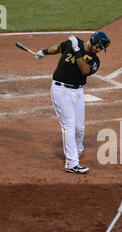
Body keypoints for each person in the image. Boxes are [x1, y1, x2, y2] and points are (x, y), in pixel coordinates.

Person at [35, 31, 110, 174]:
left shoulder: (95, 61)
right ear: (93, 40)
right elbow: (58, 47)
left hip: (77, 92)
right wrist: (43, 52)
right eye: (97, 46)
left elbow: (84, 70)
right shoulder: (73, 42)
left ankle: (76, 151)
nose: (98, 49)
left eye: (100, 48)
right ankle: (72, 163)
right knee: (69, 125)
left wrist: (76, 50)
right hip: (60, 90)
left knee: (79, 128)